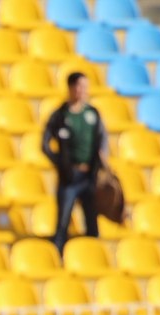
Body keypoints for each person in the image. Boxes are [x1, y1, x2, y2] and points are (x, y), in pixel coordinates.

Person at [42, 71, 109, 255]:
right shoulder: (60, 115)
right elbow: (45, 144)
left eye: (85, 87)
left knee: (92, 221)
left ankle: (93, 257)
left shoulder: (92, 114)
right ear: (71, 88)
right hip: (69, 177)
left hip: (89, 176)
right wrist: (60, 163)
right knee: (63, 222)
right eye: (79, 86)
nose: (83, 90)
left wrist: (102, 161)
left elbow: (102, 139)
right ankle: (57, 257)